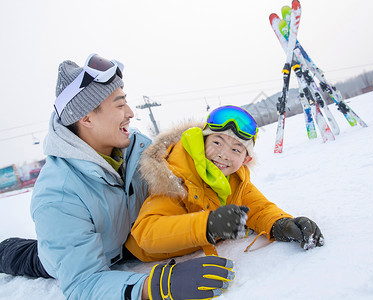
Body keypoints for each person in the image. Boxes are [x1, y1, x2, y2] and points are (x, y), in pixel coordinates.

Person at [0, 54, 235, 300]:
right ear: (86, 118)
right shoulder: (57, 195)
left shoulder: (138, 149)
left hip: (130, 242)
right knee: (25, 256)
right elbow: (83, 283)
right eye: (120, 104)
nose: (130, 112)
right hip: (76, 252)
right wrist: (158, 285)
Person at [124, 105, 324, 263]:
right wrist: (208, 225)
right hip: (145, 256)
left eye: (236, 149)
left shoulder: (235, 178)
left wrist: (281, 224)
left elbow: (256, 208)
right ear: (203, 142)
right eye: (217, 142)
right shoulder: (174, 176)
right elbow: (147, 233)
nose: (223, 154)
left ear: (246, 160)